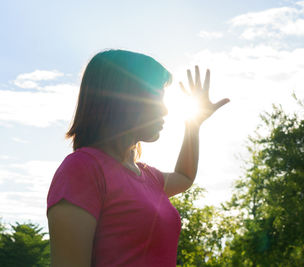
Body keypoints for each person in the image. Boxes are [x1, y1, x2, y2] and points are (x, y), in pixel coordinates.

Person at [46, 49, 229, 266]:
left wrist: (193, 125)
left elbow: (184, 176)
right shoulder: (82, 170)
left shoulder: (148, 176)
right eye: (156, 97)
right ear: (123, 101)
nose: (165, 110)